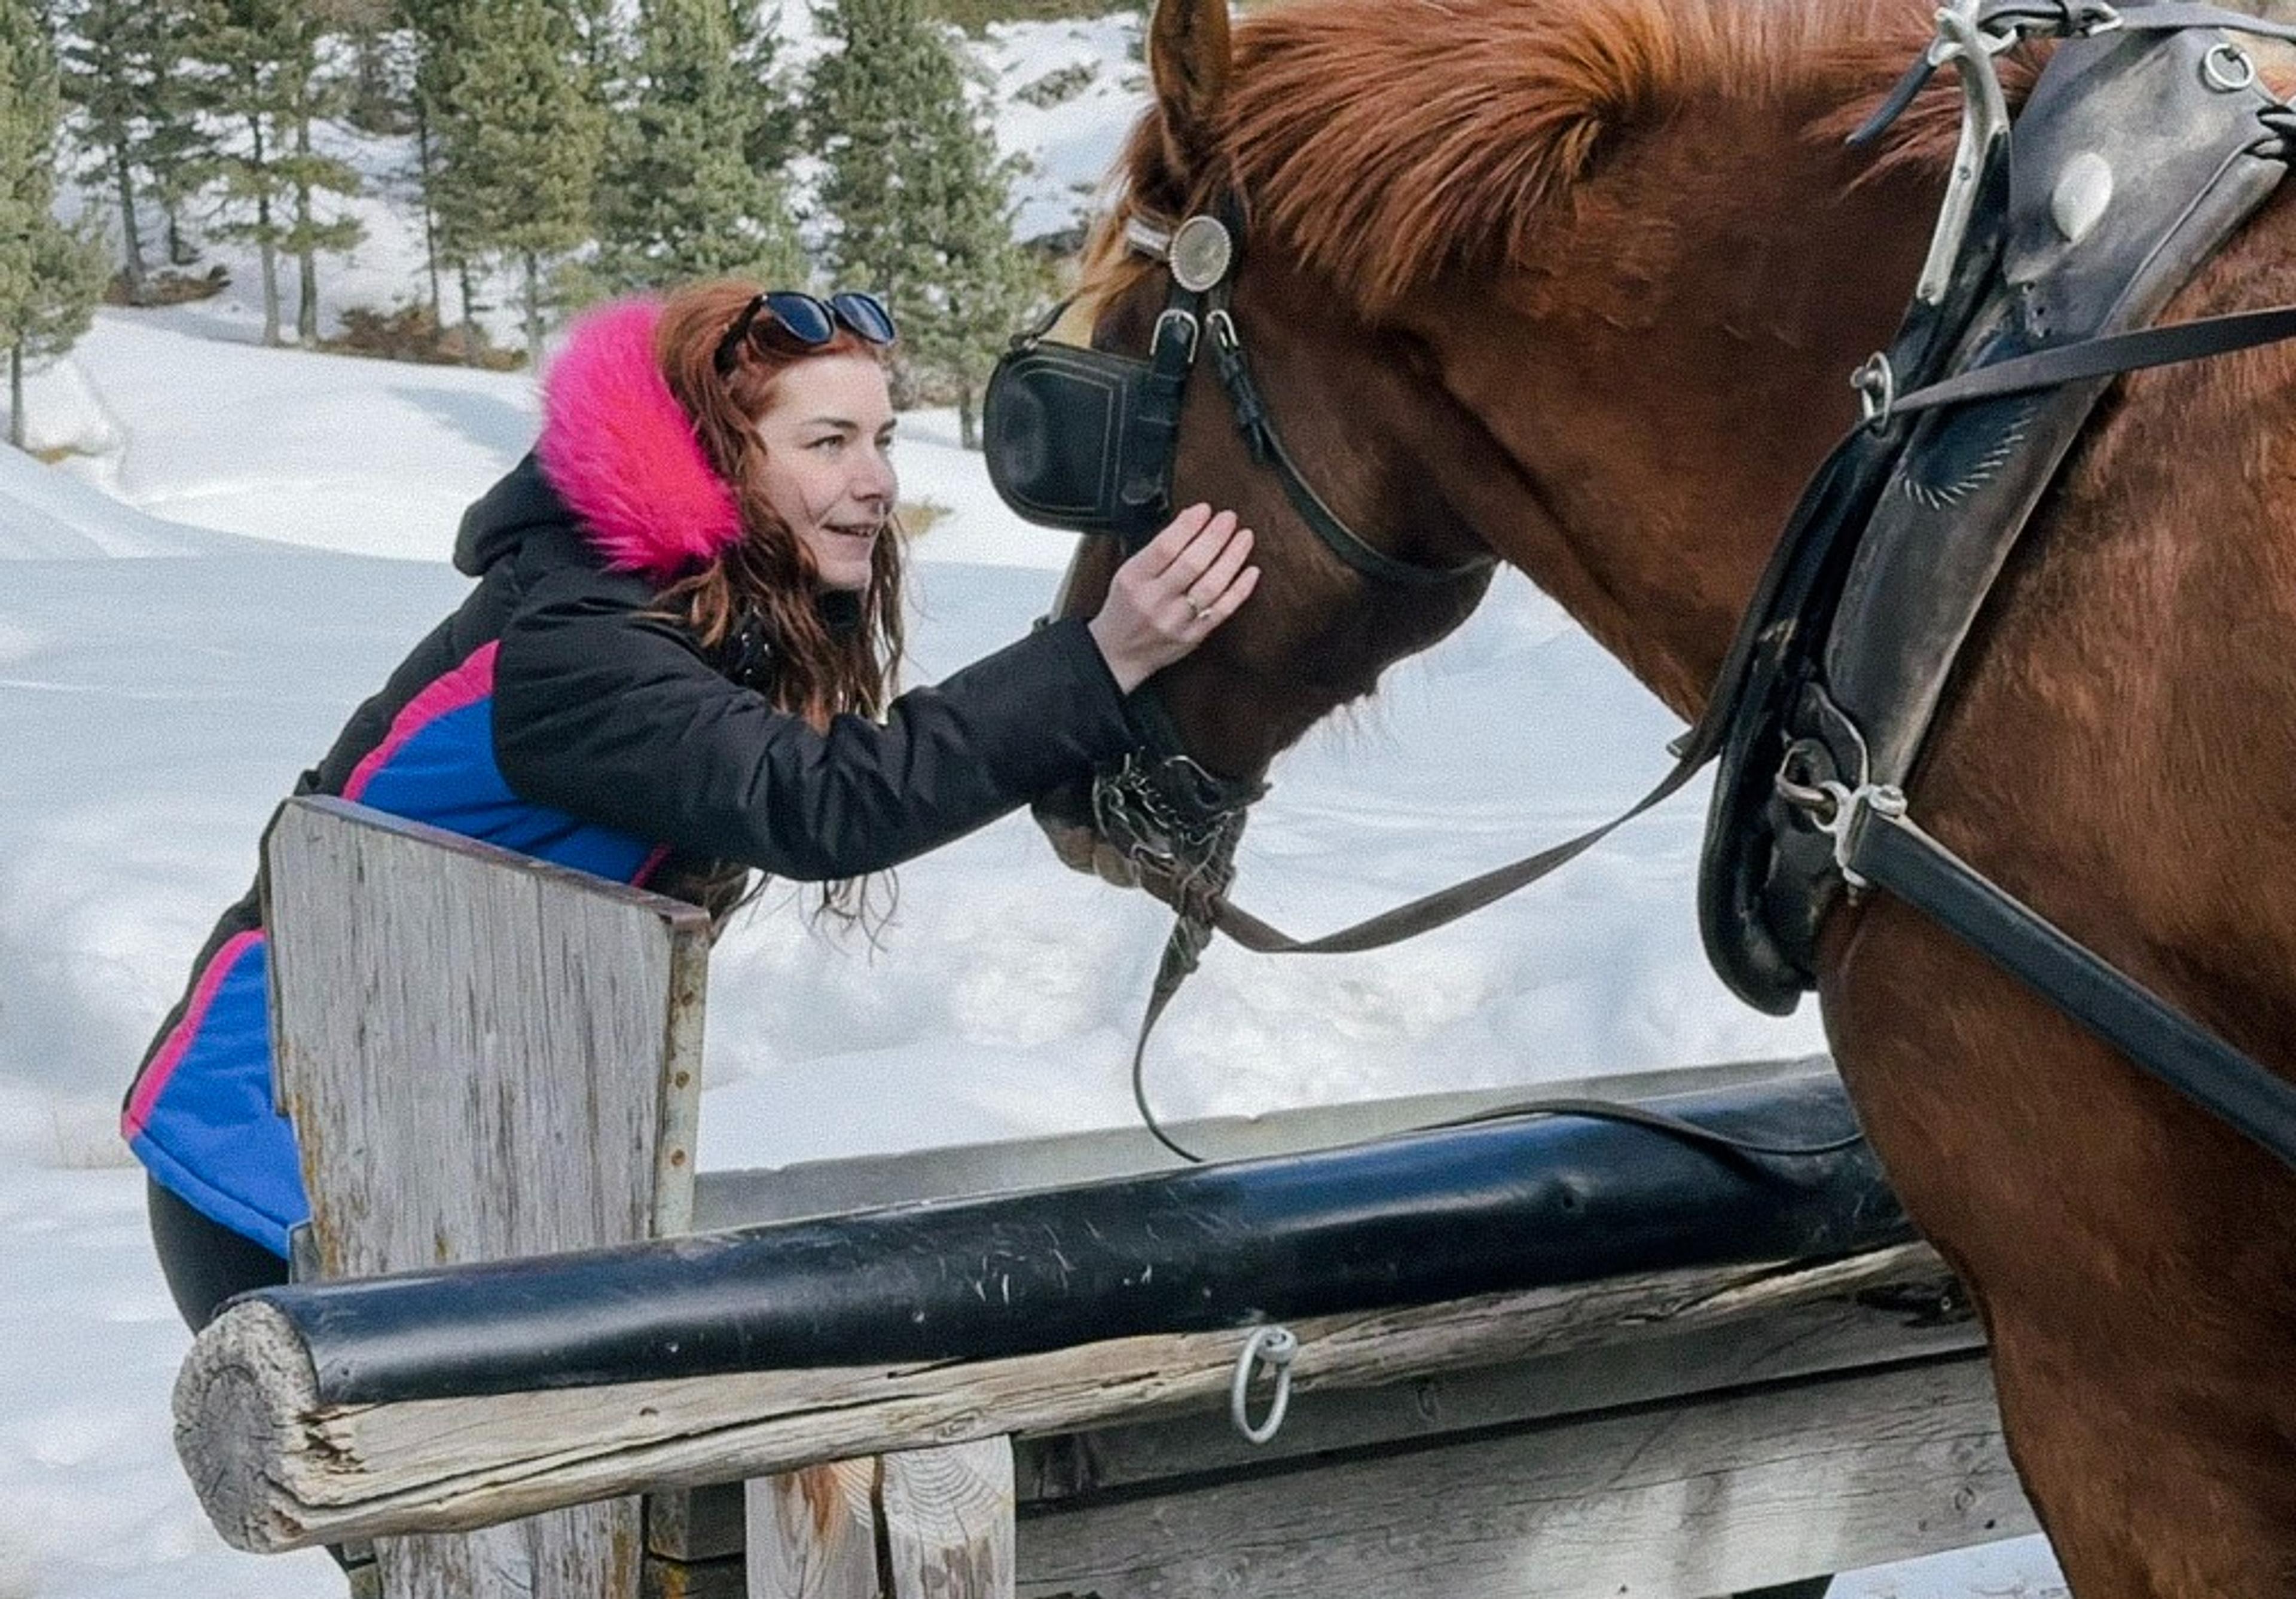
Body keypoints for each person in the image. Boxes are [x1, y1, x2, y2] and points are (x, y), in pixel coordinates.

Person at [122, 279, 1260, 1333]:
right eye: (827, 443)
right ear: (721, 461)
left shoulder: (683, 609)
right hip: (283, 1165)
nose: (877, 482)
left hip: (435, 1132)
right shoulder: (582, 645)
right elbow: (823, 804)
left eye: (883, 439)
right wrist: (1100, 658)